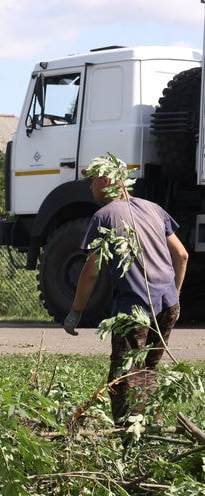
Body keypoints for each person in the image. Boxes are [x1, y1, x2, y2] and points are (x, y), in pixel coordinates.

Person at [64, 155, 188, 425]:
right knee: (147, 372)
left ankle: (129, 443)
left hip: (134, 311)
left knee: (122, 379)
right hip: (168, 305)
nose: (90, 188)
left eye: (92, 181)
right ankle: (152, 429)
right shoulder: (154, 209)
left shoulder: (104, 216)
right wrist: (173, 298)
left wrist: (75, 312)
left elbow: (91, 271)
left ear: (107, 181)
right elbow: (181, 255)